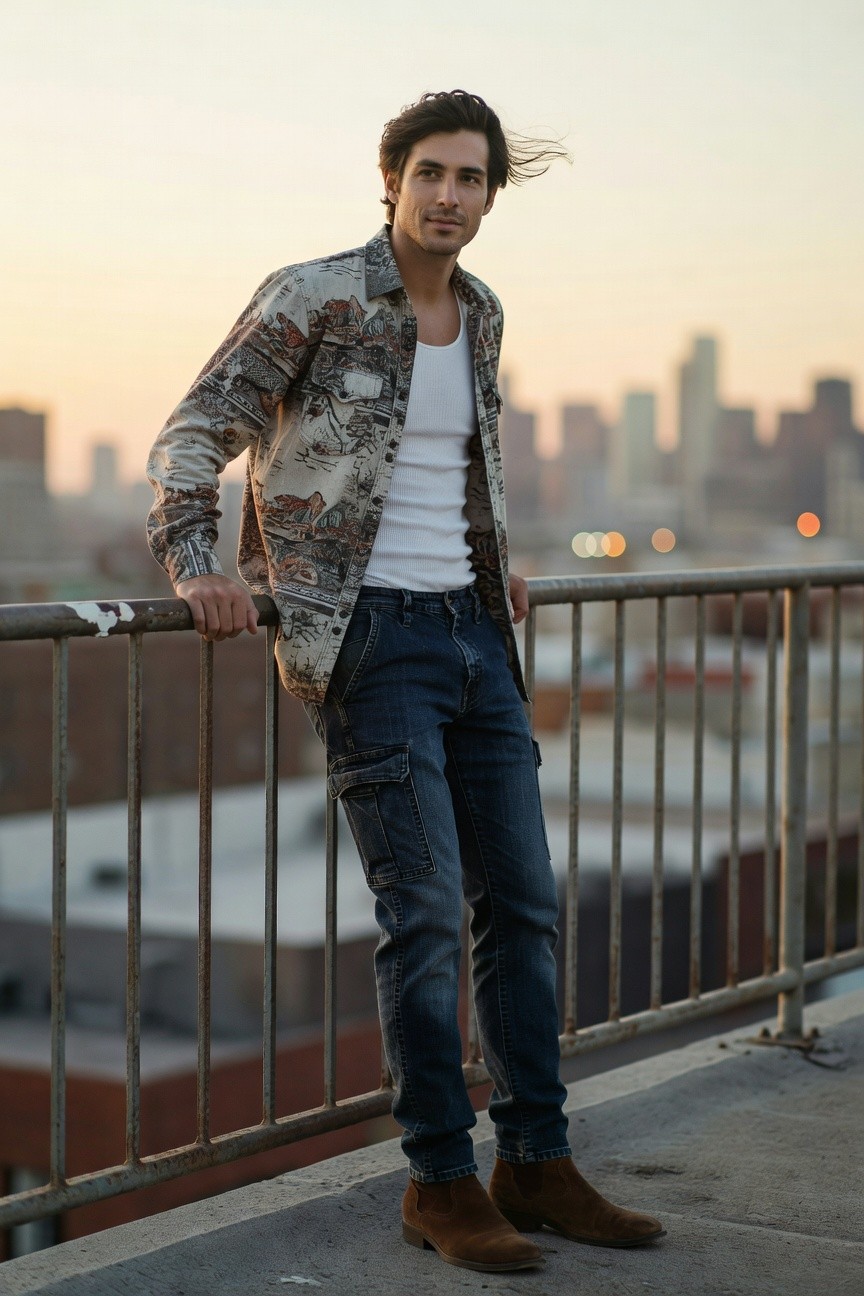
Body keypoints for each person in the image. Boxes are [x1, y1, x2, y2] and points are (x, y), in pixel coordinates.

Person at [147, 89, 664, 1274]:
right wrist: (199, 564)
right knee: (424, 914)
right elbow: (192, 433)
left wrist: (494, 565)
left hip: (478, 636)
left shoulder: (481, 312)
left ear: (491, 195)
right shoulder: (313, 295)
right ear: (391, 180)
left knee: (525, 904)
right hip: (368, 645)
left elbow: (444, 468)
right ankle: (440, 1180)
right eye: (431, 173)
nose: (451, 197)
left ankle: (533, 1161)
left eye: (472, 179)